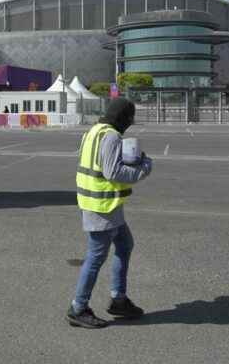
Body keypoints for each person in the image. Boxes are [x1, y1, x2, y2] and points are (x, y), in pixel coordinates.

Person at [67, 98, 152, 328]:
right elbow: (113, 172)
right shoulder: (111, 136)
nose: (130, 124)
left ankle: (119, 299)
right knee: (95, 258)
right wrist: (143, 167)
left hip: (103, 205)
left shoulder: (94, 131)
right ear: (122, 117)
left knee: (125, 245)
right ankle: (78, 308)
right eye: (129, 119)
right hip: (102, 208)